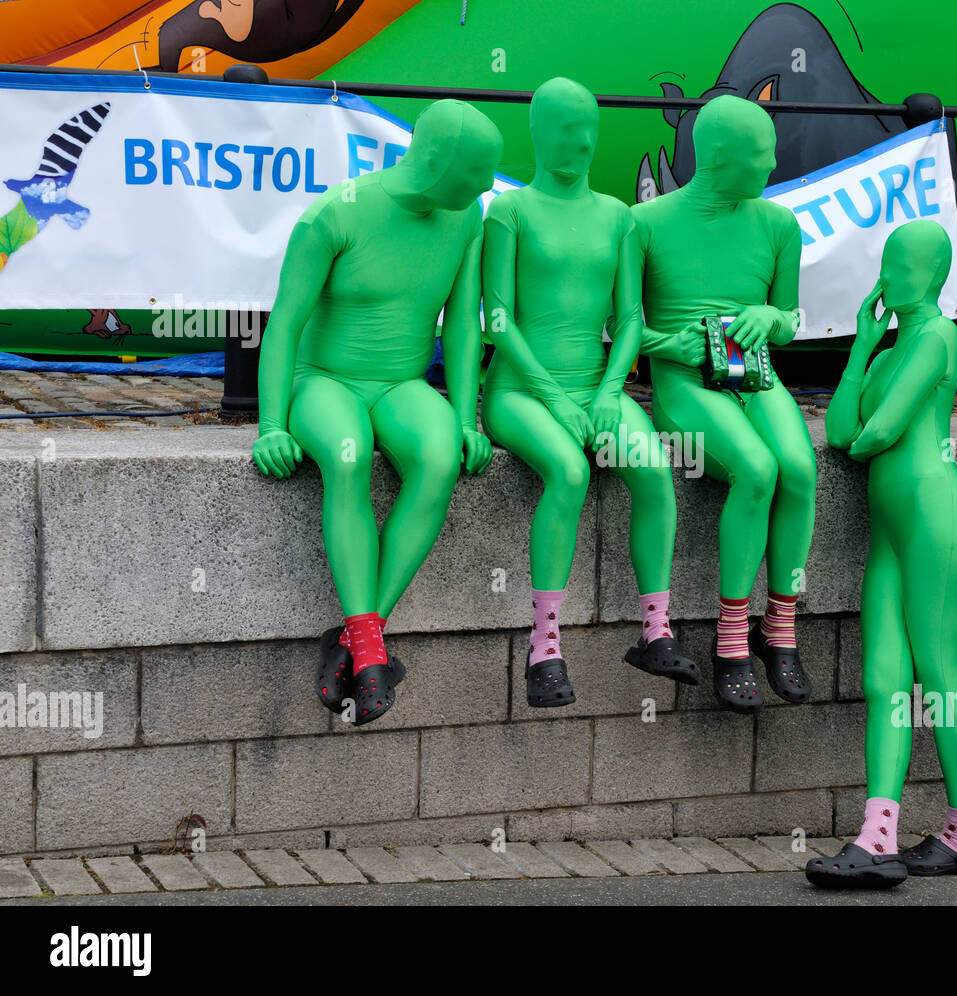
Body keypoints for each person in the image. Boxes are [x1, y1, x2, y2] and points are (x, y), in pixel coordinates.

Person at [251, 100, 501, 725]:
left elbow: (464, 326)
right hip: (325, 379)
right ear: (439, 159)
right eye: (478, 171)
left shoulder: (465, 217)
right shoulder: (335, 214)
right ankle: (368, 650)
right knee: (348, 454)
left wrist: (466, 417)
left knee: (440, 457)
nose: (486, 185)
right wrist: (272, 424)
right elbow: (283, 325)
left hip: (401, 383)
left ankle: (360, 641)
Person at [481, 77, 694, 708]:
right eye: (567, 131)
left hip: (593, 388)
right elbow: (496, 317)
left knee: (655, 470)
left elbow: (628, 319)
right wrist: (553, 395)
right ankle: (544, 645)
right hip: (520, 390)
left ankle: (656, 630)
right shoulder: (509, 212)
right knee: (570, 472)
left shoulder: (617, 217)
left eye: (589, 132)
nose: (580, 144)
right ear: (538, 133)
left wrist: (605, 392)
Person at [807, 220, 957, 888]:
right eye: (887, 262)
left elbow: (878, 430)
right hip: (891, 529)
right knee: (886, 678)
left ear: (933, 273)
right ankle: (877, 835)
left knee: (939, 673)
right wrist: (859, 347)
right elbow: (844, 429)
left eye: (903, 263)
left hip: (938, 522)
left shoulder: (941, 336)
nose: (891, 274)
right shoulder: (887, 353)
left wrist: (864, 433)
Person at [629, 94, 816, 713]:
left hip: (756, 376)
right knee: (756, 469)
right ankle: (730, 637)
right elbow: (620, 324)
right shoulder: (646, 222)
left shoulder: (778, 224)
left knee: (799, 469)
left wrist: (772, 316)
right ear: (717, 156)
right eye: (760, 153)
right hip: (684, 385)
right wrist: (668, 343)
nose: (771, 163)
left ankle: (779, 624)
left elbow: (791, 320)